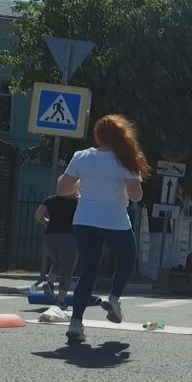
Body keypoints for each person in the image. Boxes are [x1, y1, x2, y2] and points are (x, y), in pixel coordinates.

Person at [58, 115, 149, 343]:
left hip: (84, 219)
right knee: (127, 259)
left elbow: (62, 189)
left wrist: (80, 187)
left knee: (89, 270)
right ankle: (114, 298)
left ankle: (76, 323)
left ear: (97, 135)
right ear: (122, 136)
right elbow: (136, 196)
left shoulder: (82, 157)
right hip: (115, 219)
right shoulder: (126, 160)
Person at [34, 185, 80, 306]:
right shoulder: (78, 202)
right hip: (69, 236)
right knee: (68, 268)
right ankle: (60, 300)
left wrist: (48, 222)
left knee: (57, 261)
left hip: (50, 235)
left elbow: (38, 216)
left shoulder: (49, 200)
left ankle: (50, 283)